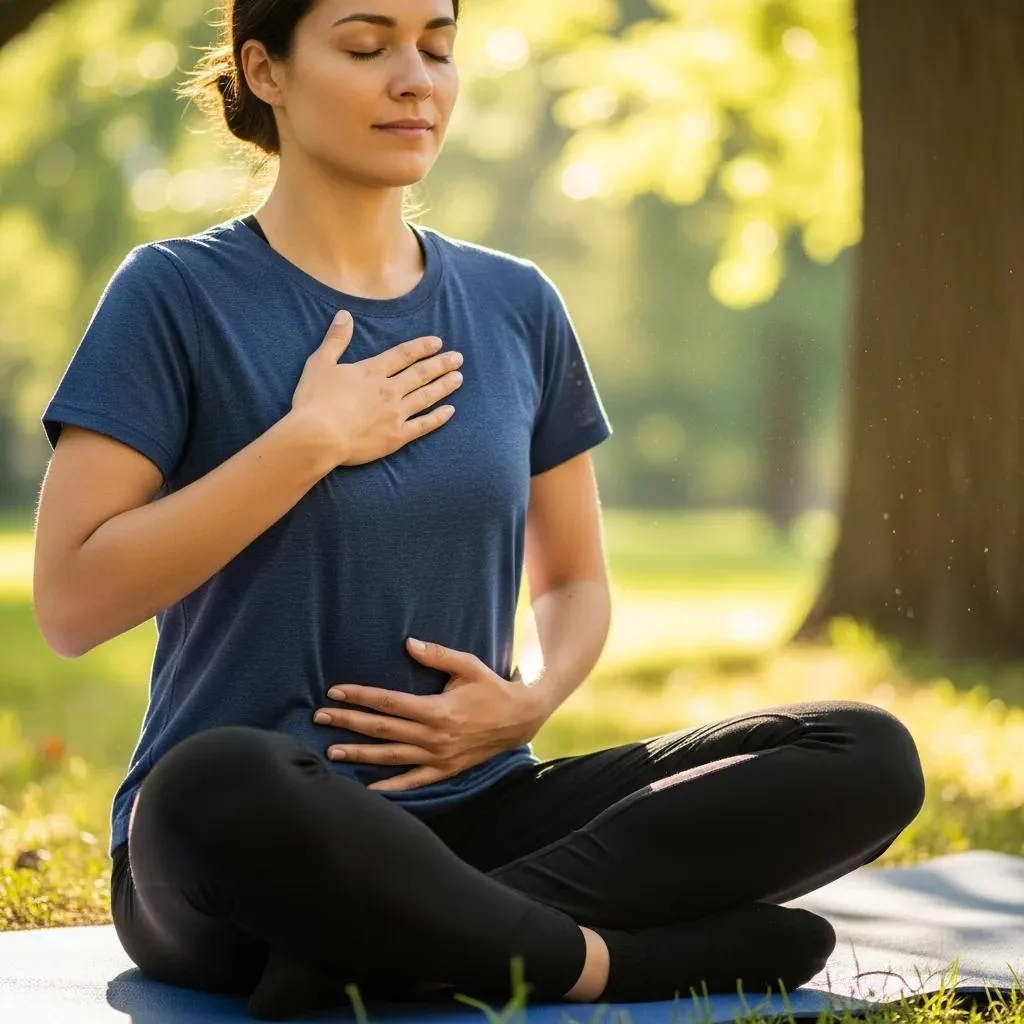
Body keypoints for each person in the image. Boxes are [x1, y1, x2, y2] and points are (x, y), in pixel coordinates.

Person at [33, 0, 926, 1019]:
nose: (415, 78)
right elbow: (71, 601)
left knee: (862, 752)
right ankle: (599, 962)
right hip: (252, 850)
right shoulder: (172, 295)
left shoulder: (516, 303)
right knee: (213, 781)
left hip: (486, 810)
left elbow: (577, 580)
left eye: (438, 47)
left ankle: (396, 948)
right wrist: (307, 440)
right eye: (368, 47)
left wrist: (532, 698)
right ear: (265, 72)